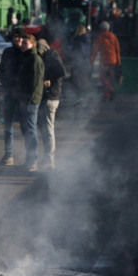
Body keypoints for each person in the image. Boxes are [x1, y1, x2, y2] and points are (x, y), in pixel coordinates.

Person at [0, 27, 26, 165]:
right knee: (8, 126)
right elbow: (1, 69)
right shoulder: (7, 52)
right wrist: (5, 82)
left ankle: (29, 157)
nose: (17, 39)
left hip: (23, 95)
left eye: (19, 36)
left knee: (26, 127)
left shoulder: (26, 52)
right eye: (14, 36)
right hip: (9, 93)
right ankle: (8, 155)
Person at [15, 32, 45, 173]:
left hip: (30, 101)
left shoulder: (34, 59)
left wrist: (29, 100)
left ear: (33, 44)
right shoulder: (27, 58)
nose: (22, 45)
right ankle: (29, 160)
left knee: (31, 131)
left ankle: (33, 161)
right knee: (27, 131)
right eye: (22, 43)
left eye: (25, 43)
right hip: (25, 100)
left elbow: (35, 83)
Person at [36, 38, 66, 171]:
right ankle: (47, 156)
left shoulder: (51, 56)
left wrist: (48, 78)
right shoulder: (50, 55)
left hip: (51, 96)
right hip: (48, 96)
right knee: (45, 128)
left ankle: (49, 158)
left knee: (48, 129)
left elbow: (61, 71)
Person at [90, 21, 121, 102]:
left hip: (104, 61)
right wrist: (118, 62)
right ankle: (107, 96)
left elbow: (95, 51)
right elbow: (117, 50)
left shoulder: (100, 37)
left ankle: (110, 91)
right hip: (113, 61)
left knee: (103, 78)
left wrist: (91, 61)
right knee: (110, 79)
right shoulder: (113, 37)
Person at [66, 24, 92, 100]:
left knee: (75, 81)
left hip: (77, 63)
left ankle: (79, 97)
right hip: (86, 63)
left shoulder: (77, 39)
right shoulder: (88, 39)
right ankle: (85, 96)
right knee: (84, 80)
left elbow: (73, 50)